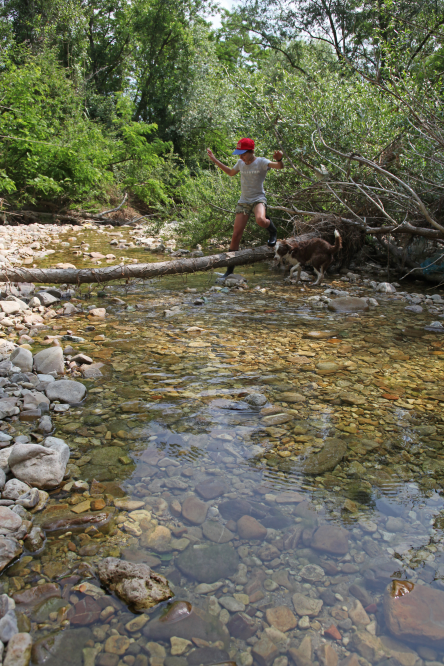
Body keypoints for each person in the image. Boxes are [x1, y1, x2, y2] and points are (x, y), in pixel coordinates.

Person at [207, 137, 284, 277]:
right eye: (239, 154)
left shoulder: (261, 162)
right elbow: (230, 173)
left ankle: (273, 231)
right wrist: (215, 160)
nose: (241, 156)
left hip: (258, 199)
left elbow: (279, 167)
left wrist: (279, 159)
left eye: (243, 153)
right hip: (244, 201)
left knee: (260, 220)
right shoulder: (240, 163)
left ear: (251, 151)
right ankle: (229, 270)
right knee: (236, 235)